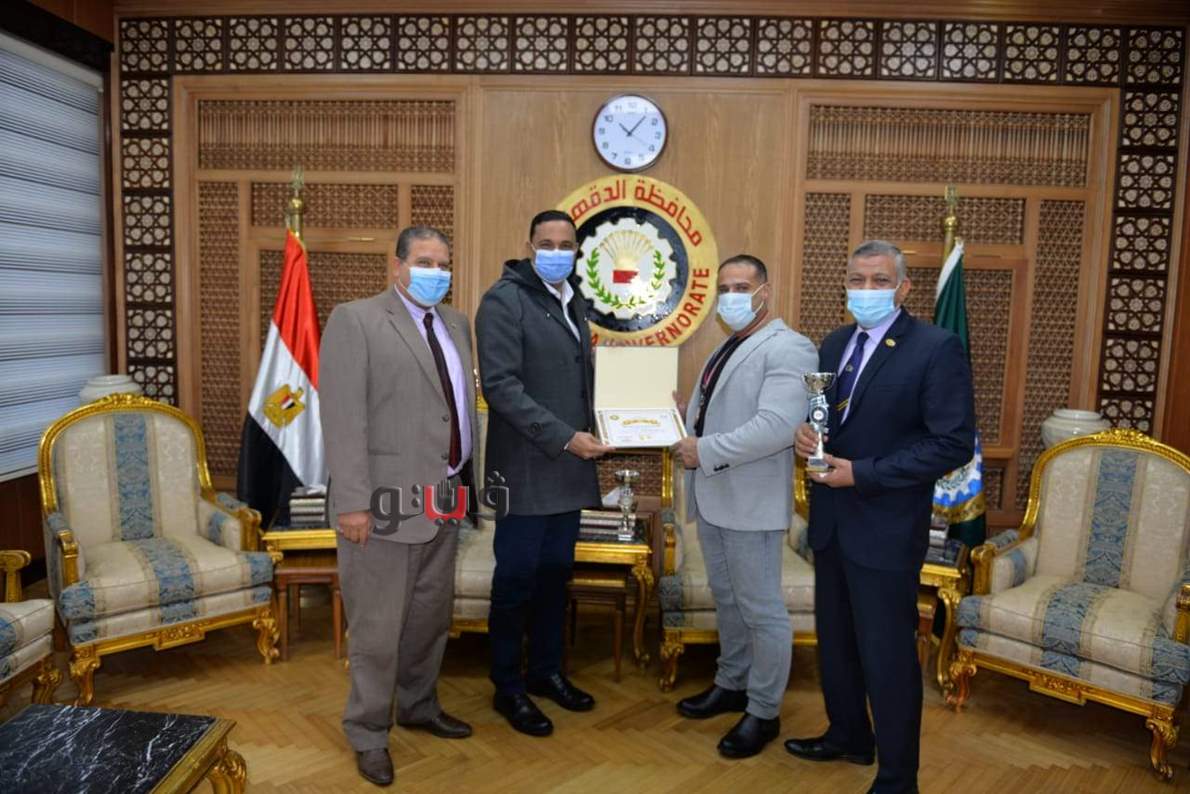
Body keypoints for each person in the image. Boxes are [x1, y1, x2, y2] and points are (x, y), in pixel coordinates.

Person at [784, 240, 975, 794]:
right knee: (837, 643)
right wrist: (807, 437)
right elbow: (830, 421)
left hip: (886, 528)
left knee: (886, 655)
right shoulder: (834, 343)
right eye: (857, 279)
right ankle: (848, 735)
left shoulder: (936, 347)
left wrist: (862, 473)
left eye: (879, 280)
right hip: (831, 523)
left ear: (904, 287)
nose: (866, 289)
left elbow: (952, 443)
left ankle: (897, 777)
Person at [320, 225, 478, 788]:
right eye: (425, 261)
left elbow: (454, 409)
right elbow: (343, 419)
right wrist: (353, 504)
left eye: (444, 263)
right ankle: (368, 731)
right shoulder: (356, 320)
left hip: (446, 496)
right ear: (396, 265)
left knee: (430, 617)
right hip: (381, 504)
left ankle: (418, 705)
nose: (437, 272)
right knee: (378, 626)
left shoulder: (457, 323)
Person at [671, 254, 817, 758]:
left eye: (741, 287)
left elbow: (777, 426)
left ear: (764, 292)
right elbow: (723, 412)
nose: (731, 296)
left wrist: (704, 448)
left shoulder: (790, 347)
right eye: (725, 288)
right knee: (728, 600)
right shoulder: (728, 345)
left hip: (750, 503)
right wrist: (685, 416)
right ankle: (731, 683)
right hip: (715, 498)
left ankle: (763, 710)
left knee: (761, 610)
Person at [475, 209, 613, 737]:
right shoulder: (504, 300)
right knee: (516, 580)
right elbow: (501, 388)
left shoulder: (571, 299)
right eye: (547, 243)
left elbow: (574, 381)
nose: (557, 251)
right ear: (530, 247)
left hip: (568, 472)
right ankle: (508, 685)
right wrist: (566, 437)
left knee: (555, 577)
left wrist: (625, 410)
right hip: (525, 468)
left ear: (577, 250)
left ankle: (546, 671)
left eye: (566, 244)